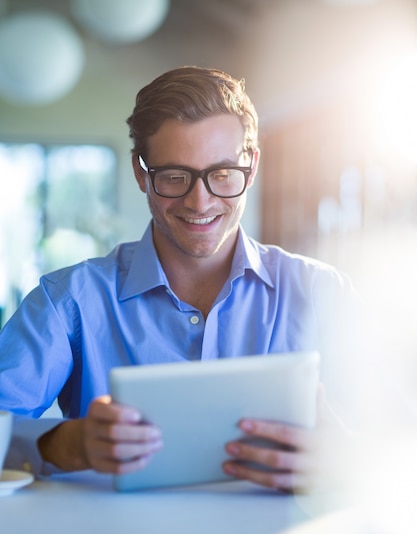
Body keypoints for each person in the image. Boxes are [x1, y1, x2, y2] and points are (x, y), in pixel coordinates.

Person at [0, 66, 364, 492]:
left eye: (223, 173)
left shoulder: (324, 294)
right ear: (141, 174)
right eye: (174, 176)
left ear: (252, 166)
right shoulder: (69, 302)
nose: (200, 201)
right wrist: (64, 444)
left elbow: (393, 439)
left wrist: (344, 461)